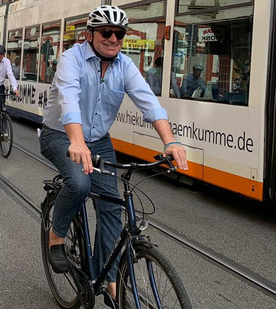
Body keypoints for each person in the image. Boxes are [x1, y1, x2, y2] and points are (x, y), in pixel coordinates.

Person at [38, 5, 188, 305]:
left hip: (99, 139)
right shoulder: (72, 59)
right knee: (79, 184)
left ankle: (109, 280)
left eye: (118, 34)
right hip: (59, 134)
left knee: (111, 208)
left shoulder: (125, 65)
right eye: (106, 32)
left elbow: (149, 102)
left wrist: (170, 141)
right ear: (89, 34)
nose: (112, 39)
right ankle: (57, 235)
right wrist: (77, 142)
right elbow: (69, 99)